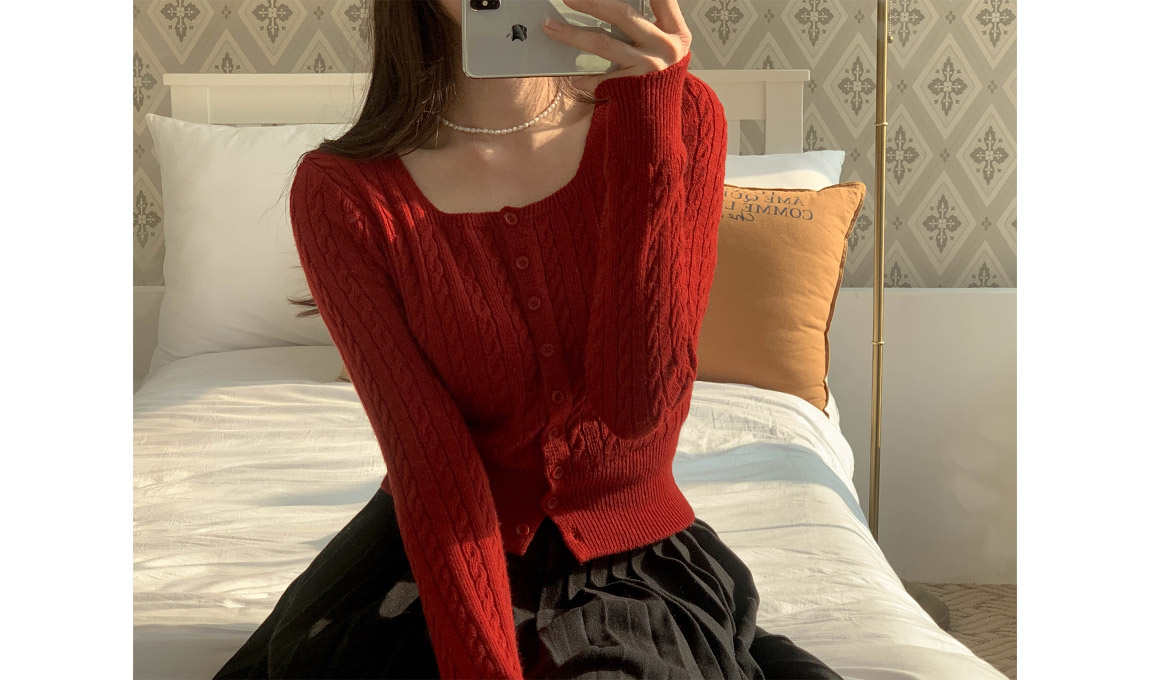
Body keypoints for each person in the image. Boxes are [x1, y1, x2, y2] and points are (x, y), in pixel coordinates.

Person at [214, 1, 843, 678]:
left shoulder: (679, 115)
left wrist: (648, 128)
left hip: (629, 554)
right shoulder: (342, 191)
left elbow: (636, 408)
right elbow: (431, 468)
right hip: (432, 557)